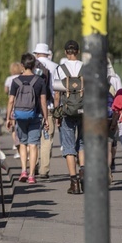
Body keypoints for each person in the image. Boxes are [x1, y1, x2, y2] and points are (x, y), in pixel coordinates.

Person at [6, 53, 48, 184]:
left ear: (22, 66)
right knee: (33, 145)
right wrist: (46, 118)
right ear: (34, 65)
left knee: (23, 144)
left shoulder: (16, 81)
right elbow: (43, 101)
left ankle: (23, 170)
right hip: (35, 116)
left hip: (20, 116)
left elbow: (11, 100)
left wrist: (8, 117)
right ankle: (31, 175)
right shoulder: (39, 81)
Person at [53, 40, 84, 194]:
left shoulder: (59, 69)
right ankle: (83, 173)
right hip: (84, 110)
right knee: (83, 142)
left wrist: (57, 114)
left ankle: (74, 182)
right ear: (78, 51)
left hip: (67, 111)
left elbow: (57, 95)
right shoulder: (87, 68)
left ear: (66, 52)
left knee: (69, 145)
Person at [33, 43, 58, 179]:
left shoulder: (31, 66)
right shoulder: (54, 66)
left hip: (33, 108)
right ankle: (44, 169)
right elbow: (56, 91)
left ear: (36, 53)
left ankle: (33, 165)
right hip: (49, 107)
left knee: (33, 138)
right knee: (47, 138)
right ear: (47, 53)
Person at [4, 62, 24, 159]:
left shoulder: (9, 79)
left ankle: (17, 147)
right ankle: (24, 147)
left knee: (13, 127)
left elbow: (6, 91)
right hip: (22, 104)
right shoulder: (22, 78)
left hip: (13, 105)